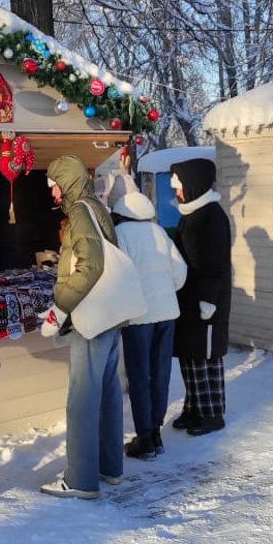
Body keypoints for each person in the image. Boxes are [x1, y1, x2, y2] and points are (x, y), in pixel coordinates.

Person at [37, 155, 125, 499]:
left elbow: (91, 265)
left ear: (66, 182)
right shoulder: (95, 207)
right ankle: (109, 467)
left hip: (91, 316)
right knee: (107, 391)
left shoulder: (79, 212)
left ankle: (80, 480)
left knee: (82, 399)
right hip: (109, 313)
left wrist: (61, 307)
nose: (52, 193)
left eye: (54, 185)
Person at [108, 178, 187, 460]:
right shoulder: (158, 232)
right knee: (161, 373)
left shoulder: (120, 234)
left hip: (138, 315)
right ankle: (156, 432)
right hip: (167, 313)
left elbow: (117, 275)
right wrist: (164, 292)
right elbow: (180, 272)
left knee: (139, 376)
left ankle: (144, 438)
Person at [169, 157, 231, 436]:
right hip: (188, 299)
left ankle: (211, 413)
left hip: (207, 301)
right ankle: (194, 407)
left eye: (179, 186)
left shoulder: (212, 216)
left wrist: (209, 300)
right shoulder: (190, 214)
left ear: (194, 184)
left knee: (206, 358)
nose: (176, 192)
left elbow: (215, 262)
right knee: (190, 356)